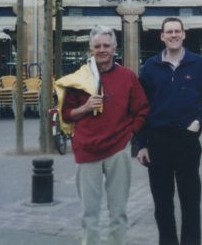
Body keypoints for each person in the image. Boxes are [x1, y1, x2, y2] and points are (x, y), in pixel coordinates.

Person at [57, 25, 150, 245]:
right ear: (91, 48)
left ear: (114, 47)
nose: (102, 50)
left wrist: (130, 134)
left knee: (118, 212)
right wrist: (85, 107)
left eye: (106, 45)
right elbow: (66, 115)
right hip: (87, 151)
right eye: (97, 46)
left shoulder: (127, 77)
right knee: (89, 214)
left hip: (117, 150)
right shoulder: (79, 79)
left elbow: (142, 109)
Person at [137, 17, 202, 245]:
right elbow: (140, 108)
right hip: (158, 142)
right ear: (162, 36)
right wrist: (141, 144)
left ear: (184, 35)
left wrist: (200, 122)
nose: (173, 35)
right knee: (162, 203)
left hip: (187, 141)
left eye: (177, 31)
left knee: (190, 201)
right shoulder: (150, 67)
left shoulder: (199, 64)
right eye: (169, 32)